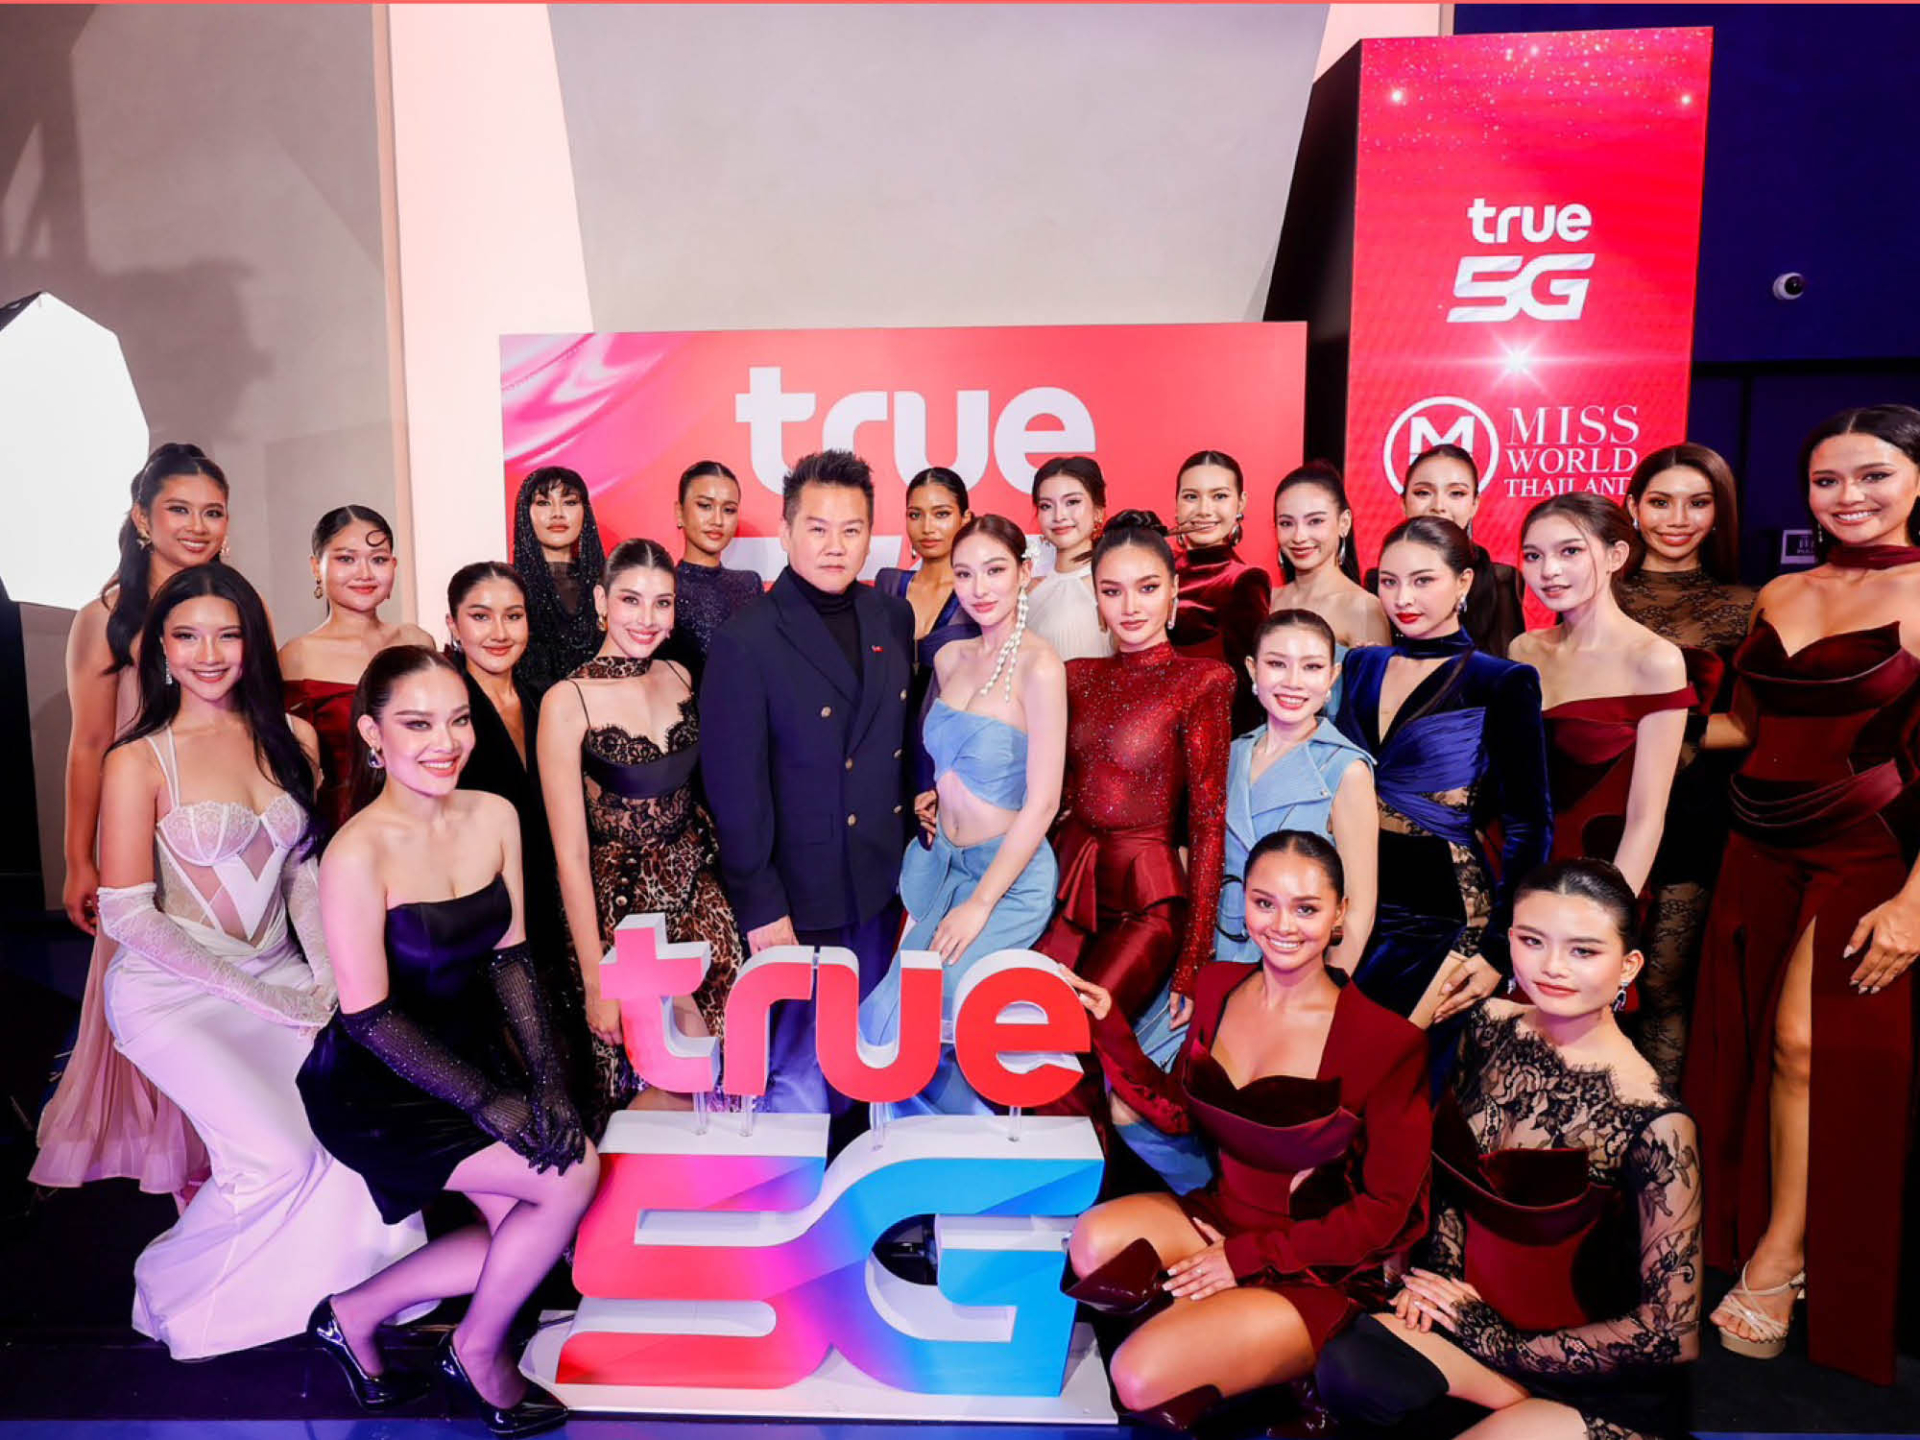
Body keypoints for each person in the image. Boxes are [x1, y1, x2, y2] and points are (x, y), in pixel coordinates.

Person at [93, 565, 422, 1358]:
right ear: (161, 648)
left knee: (354, 1128)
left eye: (228, 634)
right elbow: (128, 913)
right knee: (275, 1155)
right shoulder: (139, 760)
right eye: (187, 636)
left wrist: (324, 975)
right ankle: (177, 1295)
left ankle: (337, 1301)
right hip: (172, 992)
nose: (209, 654)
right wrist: (262, 996)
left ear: (253, 644)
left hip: (284, 976)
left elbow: (303, 872)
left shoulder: (292, 738)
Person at [297, 646, 591, 1436]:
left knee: (527, 1230)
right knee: (570, 1181)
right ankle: (476, 1351)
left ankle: (351, 1317)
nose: (446, 742)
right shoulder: (356, 851)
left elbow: (512, 961)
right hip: (377, 1083)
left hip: (468, 1056)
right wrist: (489, 1100)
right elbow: (369, 1018)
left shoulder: (493, 814)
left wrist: (548, 1082)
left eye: (458, 720)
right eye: (418, 724)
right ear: (372, 733)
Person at [1686, 405, 1920, 1384]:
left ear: (1917, 481)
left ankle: (1785, 1259)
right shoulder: (1782, 589)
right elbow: (1745, 727)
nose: (1848, 497)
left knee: (1803, 1045)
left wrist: (1917, 901)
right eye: (1828, 480)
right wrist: (1621, 721)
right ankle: (1756, 1235)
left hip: (1865, 852)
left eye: (1872, 475)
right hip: (1756, 845)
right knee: (1746, 1050)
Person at [1315, 858, 1701, 1440]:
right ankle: (1504, 1401)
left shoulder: (1655, 1119)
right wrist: (1437, 1284)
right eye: (1532, 941)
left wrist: (1501, 1342)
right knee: (1349, 1366)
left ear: (1629, 965)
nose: (1552, 967)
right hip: (1474, 1330)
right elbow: (1451, 1168)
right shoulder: (1488, 1024)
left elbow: (1671, 1334)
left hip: (1594, 1378)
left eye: (1583, 951)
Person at [1060, 831, 1430, 1431]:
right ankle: (1226, 1332)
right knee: (1094, 1240)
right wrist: (1112, 1029)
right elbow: (1182, 1112)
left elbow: (1386, 1210)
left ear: (1340, 914)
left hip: (1317, 1261)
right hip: (1222, 1218)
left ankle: (1288, 1366)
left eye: (1306, 908)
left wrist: (1249, 1258)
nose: (1282, 925)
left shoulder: (1388, 1042)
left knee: (1135, 1376)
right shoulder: (1217, 985)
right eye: (1264, 903)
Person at [1124, 610, 1378, 1193]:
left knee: (1249, 1118)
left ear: (1333, 678)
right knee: (1135, 1093)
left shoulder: (1345, 770)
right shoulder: (1229, 752)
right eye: (1277, 664)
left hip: (1287, 970)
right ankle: (1204, 1199)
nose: (1293, 681)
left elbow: (1359, 907)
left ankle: (1234, 1210)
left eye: (1311, 667)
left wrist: (1326, 1007)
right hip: (1207, 956)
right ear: (1251, 671)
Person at [33, 442, 227, 1197]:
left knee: (228, 1002)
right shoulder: (106, 618)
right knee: (160, 1007)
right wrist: (79, 860)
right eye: (179, 509)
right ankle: (184, 1191)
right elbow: (87, 746)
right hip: (140, 848)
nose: (197, 526)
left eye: (213, 512)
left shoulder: (235, 607)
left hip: (223, 839)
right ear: (143, 518)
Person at [699, 451, 915, 1114]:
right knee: (801, 1082)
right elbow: (735, 791)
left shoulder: (892, 617)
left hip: (882, 885)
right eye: (817, 528)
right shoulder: (746, 639)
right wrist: (762, 906)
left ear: (871, 536)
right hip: (798, 898)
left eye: (852, 529)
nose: (835, 545)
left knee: (875, 1071)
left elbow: (900, 742)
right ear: (786, 532)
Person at [861, 514, 1065, 1114]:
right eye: (965, 574)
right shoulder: (951, 658)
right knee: (894, 1008)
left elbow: (1043, 802)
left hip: (1005, 881)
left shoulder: (1040, 666)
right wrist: (937, 794)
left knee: (940, 1009)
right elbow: (948, 753)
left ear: (1024, 572)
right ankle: (905, 1148)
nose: (980, 588)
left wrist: (980, 905)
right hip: (943, 865)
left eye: (995, 570)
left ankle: (963, 1151)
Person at [539, 539, 743, 1126]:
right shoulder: (567, 701)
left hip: (700, 897)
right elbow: (570, 855)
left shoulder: (679, 676)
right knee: (660, 1080)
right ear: (601, 601)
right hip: (625, 914)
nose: (647, 619)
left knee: (722, 1074)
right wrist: (595, 977)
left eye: (662, 602)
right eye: (631, 600)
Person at [1335, 517, 1552, 1033]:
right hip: (1351, 904)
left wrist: (1498, 950)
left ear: (1463, 582)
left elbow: (1529, 826)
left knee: (1390, 1062)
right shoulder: (1362, 668)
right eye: (1389, 582)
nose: (1403, 598)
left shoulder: (1502, 682)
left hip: (1446, 914)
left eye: (1423, 580)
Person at [1036, 510, 1233, 1033]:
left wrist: (1195, 957)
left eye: (1147, 588)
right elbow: (1052, 791)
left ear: (1174, 592)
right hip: (1070, 887)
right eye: (1112, 591)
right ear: (1097, 602)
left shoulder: (1202, 681)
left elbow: (1209, 822)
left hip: (1148, 904)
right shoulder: (1075, 677)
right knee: (1029, 1029)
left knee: (1078, 1032)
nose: (1130, 607)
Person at [1615, 444, 1757, 1086]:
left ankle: (1658, 1128)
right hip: (1601, 805)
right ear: (1632, 507)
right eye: (1660, 501)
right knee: (1587, 980)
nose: (1678, 519)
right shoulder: (1596, 590)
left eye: (1698, 503)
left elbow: (1752, 727)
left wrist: (1666, 725)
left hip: (1691, 812)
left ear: (1719, 512)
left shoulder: (1748, 603)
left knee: (1663, 988)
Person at [447, 562, 582, 1101]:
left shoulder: (541, 698)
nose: (499, 632)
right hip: (481, 924)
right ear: (453, 625)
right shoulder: (446, 714)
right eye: (480, 617)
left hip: (548, 906)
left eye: (513, 616)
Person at [1511, 494, 1691, 896]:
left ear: (1616, 556)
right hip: (1517, 872)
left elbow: (1646, 818)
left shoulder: (1655, 660)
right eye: (1534, 556)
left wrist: (1608, 912)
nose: (1549, 570)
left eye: (1570, 551)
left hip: (1600, 880)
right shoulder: (1524, 650)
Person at [281, 506, 434, 831]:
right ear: (316, 566)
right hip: (342, 828)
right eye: (346, 559)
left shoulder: (417, 641)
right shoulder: (298, 656)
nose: (364, 573)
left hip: (425, 818)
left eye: (378, 560)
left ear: (394, 565)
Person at [876, 467, 982, 795]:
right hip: (885, 749)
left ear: (966, 519)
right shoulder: (888, 585)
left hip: (954, 755)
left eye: (941, 514)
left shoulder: (980, 595)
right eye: (915, 514)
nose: (927, 527)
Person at [1368, 445, 1526, 658]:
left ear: (1475, 504)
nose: (1439, 506)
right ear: (1403, 502)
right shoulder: (1376, 585)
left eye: (1456, 493)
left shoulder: (1500, 580)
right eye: (1423, 493)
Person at [1169, 450, 1273, 732]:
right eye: (1191, 496)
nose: (1204, 509)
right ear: (1176, 504)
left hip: (1206, 734)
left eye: (1219, 496)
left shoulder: (1245, 580)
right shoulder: (1158, 569)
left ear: (1241, 502)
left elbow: (1249, 683)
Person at [1269, 462, 1392, 647]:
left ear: (1344, 523)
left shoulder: (1363, 608)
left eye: (1315, 521)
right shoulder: (1267, 600)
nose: (1299, 537)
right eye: (1286, 523)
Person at [511, 466, 608, 696]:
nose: (557, 513)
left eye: (570, 502)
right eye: (544, 503)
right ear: (525, 512)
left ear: (585, 511)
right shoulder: (510, 588)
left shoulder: (608, 585)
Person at [668, 459, 764, 666]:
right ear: (679, 513)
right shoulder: (665, 588)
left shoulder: (750, 584)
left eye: (729, 510)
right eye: (705, 506)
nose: (718, 520)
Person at [1027, 455, 1115, 663]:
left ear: (1098, 511)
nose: (1059, 516)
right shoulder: (1026, 592)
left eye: (1072, 502)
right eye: (1046, 506)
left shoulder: (1112, 586)